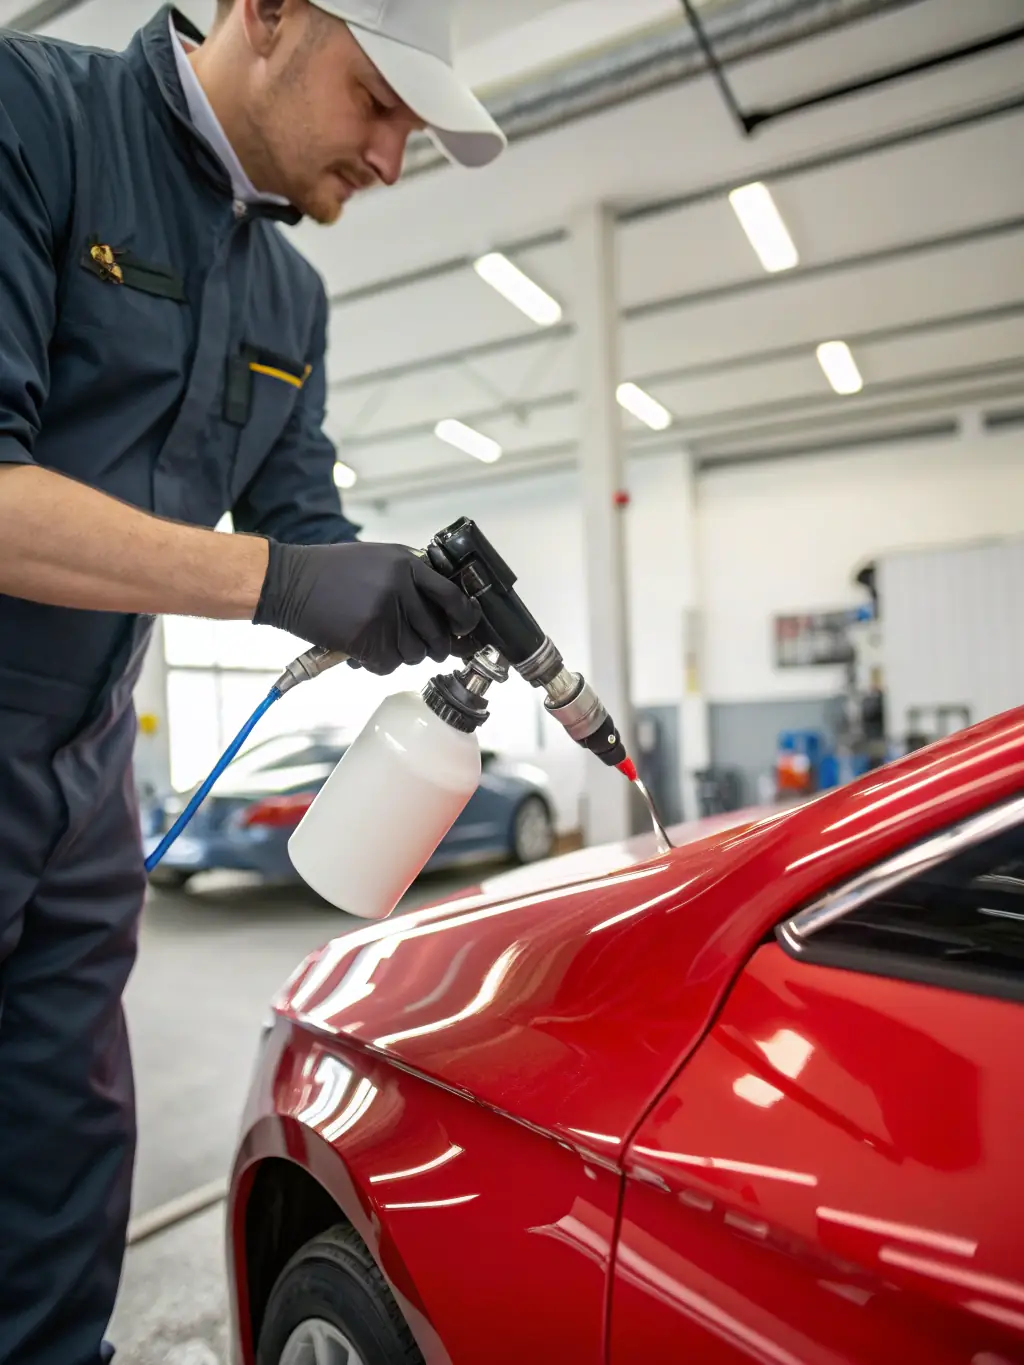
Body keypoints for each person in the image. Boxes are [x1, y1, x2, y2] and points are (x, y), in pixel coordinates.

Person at [0, 1, 505, 1360]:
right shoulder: (30, 117)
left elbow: (304, 531)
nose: (391, 159)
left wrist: (399, 591)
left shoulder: (290, 295)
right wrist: (282, 582)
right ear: (267, 14)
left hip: (83, 774)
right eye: (378, 105)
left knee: (64, 1130)